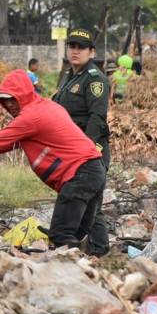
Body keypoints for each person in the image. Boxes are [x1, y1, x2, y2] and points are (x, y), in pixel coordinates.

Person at [0, 70, 106, 249]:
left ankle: (68, 270)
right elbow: (5, 143)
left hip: (80, 174)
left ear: (23, 94)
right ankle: (97, 263)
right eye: (5, 101)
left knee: (61, 236)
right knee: (79, 233)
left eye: (12, 99)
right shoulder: (47, 106)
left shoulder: (29, 118)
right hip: (93, 171)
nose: (9, 105)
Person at [51, 28, 111, 256]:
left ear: (91, 52)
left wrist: (85, 149)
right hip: (73, 150)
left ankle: (99, 250)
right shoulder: (70, 76)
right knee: (86, 201)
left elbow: (97, 119)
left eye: (81, 48)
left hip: (89, 149)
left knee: (91, 200)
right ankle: (90, 248)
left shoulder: (95, 80)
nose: (75, 51)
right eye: (72, 46)